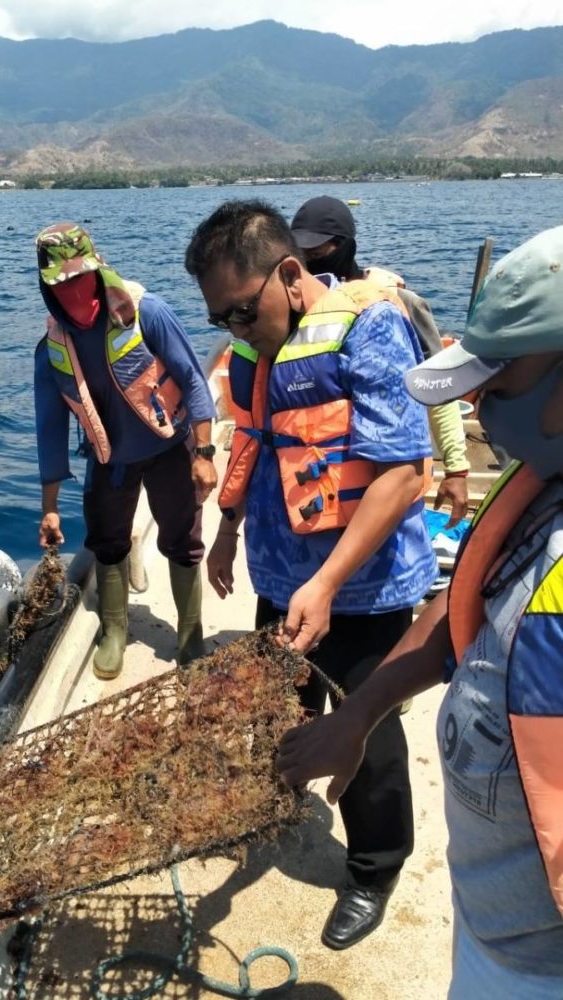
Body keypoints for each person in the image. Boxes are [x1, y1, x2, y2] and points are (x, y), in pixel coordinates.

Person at [277, 226, 563, 996]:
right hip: (492, 921)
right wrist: (357, 713)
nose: (476, 407)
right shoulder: (540, 483)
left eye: (496, 387)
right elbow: (466, 593)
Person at [184, 200, 438, 950]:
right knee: (282, 706)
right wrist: (228, 533)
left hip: (361, 589)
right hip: (281, 577)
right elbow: (253, 444)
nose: (233, 328)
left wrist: (325, 583)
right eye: (219, 318)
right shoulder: (258, 352)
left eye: (241, 309)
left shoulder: (370, 328)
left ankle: (374, 866)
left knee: (368, 731)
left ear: (290, 274)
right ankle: (282, 795)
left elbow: (402, 475)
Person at [34, 222, 217, 678]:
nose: (74, 290)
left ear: (98, 269)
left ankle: (189, 632)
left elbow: (193, 379)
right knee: (107, 543)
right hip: (108, 460)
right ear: (46, 287)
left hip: (168, 446)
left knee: (182, 539)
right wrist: (50, 509)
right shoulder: (51, 347)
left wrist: (206, 453)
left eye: (80, 276)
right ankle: (115, 630)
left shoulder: (146, 313)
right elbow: (49, 429)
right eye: (61, 283)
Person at [291, 195, 470, 527]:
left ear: (346, 246)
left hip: (391, 473)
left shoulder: (398, 302)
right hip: (323, 480)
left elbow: (438, 387)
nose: (309, 263)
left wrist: (456, 468)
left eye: (317, 253)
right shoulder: (297, 309)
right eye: (302, 255)